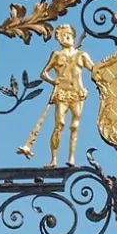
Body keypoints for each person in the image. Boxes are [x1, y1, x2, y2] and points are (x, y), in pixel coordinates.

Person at [18, 23, 95, 168]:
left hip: (77, 93)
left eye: (69, 35)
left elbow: (94, 69)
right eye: (63, 36)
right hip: (61, 94)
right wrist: (53, 81)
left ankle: (71, 158)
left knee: (74, 126)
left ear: (73, 37)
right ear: (59, 39)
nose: (67, 37)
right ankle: (53, 159)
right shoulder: (56, 55)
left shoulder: (81, 55)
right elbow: (43, 73)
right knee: (60, 124)